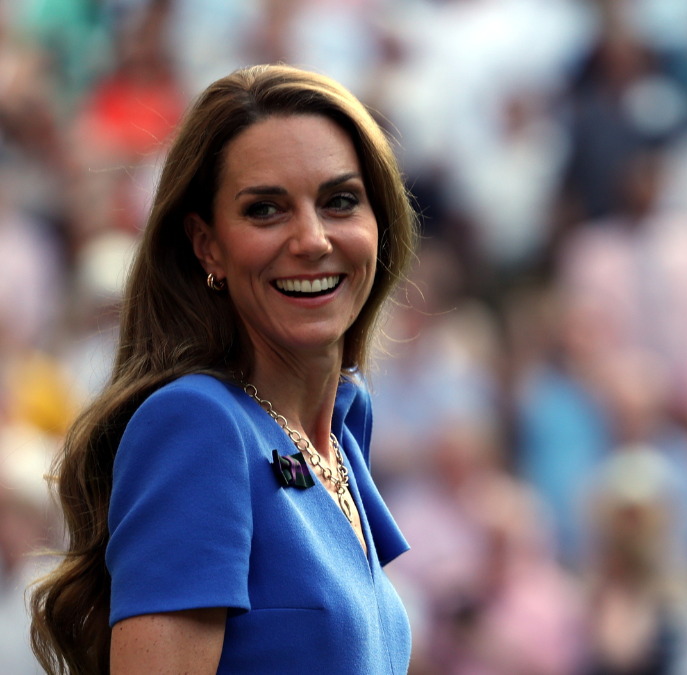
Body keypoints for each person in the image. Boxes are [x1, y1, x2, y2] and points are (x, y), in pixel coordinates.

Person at [28, 64, 417, 675]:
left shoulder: (343, 431)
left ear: (379, 223)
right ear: (208, 244)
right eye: (266, 210)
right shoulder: (196, 425)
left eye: (340, 201)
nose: (313, 239)